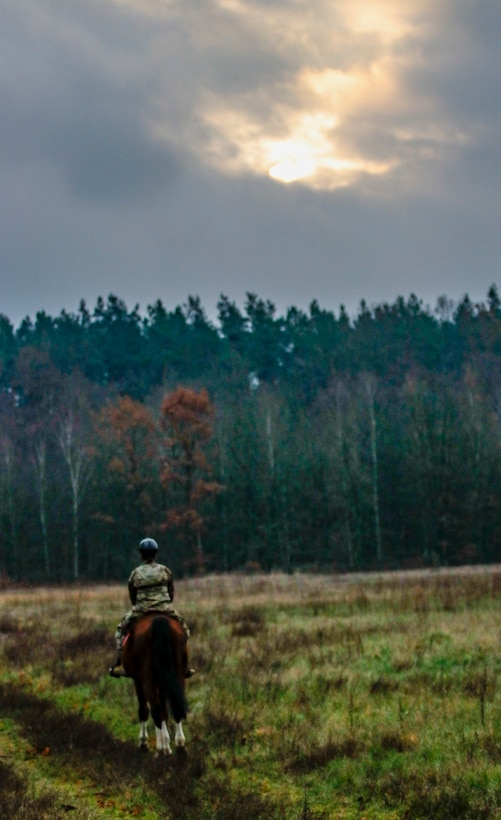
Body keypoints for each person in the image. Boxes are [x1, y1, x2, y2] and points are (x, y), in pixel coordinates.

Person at [109, 537, 195, 678]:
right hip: (164, 608)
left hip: (141, 609)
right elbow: (171, 592)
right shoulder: (164, 571)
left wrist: (138, 605)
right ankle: (184, 666)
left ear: (141, 554)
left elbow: (133, 596)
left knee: (120, 630)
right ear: (155, 553)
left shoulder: (136, 573)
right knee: (184, 631)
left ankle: (121, 665)